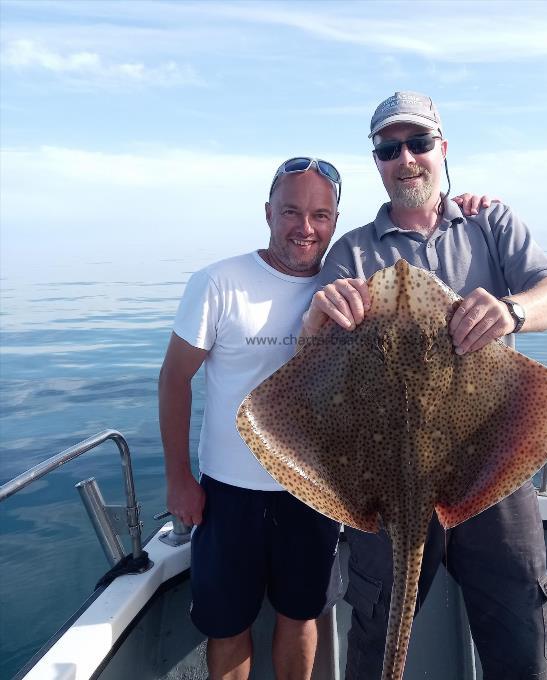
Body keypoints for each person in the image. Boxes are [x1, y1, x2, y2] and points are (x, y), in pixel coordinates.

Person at [158, 155, 491, 680]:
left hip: (316, 490)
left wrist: (467, 206)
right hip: (230, 492)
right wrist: (179, 478)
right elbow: (174, 378)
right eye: (291, 212)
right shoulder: (219, 282)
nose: (304, 227)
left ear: (335, 222)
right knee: (228, 627)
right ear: (268, 212)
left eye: (320, 215)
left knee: (301, 616)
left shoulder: (352, 290)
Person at [302, 91, 547, 680]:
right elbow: (315, 368)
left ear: (442, 149)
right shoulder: (351, 251)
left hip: (491, 463)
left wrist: (512, 311)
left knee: (519, 637)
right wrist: (317, 316)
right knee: (378, 632)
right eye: (389, 148)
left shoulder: (490, 223)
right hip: (387, 471)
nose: (406, 159)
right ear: (376, 161)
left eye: (419, 144)